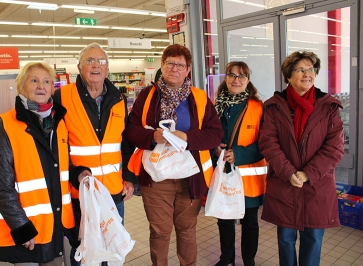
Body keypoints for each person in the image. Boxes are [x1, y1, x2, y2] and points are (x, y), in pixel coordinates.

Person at [125, 43, 223, 266]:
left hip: (191, 179)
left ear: (188, 70)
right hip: (157, 178)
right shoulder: (147, 96)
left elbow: (215, 134)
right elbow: (131, 130)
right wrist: (153, 138)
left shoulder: (199, 98)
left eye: (181, 65)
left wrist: (187, 138)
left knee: (187, 231)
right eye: (170, 63)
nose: (175, 69)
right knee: (160, 232)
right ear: (162, 65)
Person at [0, 62, 91, 265]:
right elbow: (1, 187)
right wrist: (22, 229)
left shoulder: (58, 123)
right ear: (21, 86)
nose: (41, 86)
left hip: (55, 226)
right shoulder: (4, 125)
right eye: (34, 80)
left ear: (53, 87)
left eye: (46, 81)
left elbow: (59, 168)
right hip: (27, 234)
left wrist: (78, 173)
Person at [53, 42, 136, 266]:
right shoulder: (61, 97)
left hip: (113, 191)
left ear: (107, 69)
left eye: (101, 61)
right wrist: (74, 174)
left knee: (113, 247)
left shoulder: (119, 98)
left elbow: (125, 142)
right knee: (84, 251)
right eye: (90, 60)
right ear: (79, 67)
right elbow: (55, 147)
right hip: (81, 193)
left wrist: (129, 177)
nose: (96, 65)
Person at [258, 50, 344, 266]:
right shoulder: (274, 106)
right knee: (285, 240)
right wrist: (288, 172)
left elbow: (335, 147)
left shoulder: (328, 107)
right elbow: (268, 143)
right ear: (288, 75)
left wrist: (308, 173)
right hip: (285, 184)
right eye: (301, 70)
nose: (308, 74)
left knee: (313, 240)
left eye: (311, 69)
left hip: (317, 185)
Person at [211, 61, 267, 266]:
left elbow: (267, 142)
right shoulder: (215, 106)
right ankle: (226, 258)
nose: (236, 80)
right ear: (226, 78)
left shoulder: (258, 107)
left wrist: (240, 154)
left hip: (248, 177)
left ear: (248, 81)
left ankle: (248, 260)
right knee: (224, 219)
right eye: (232, 75)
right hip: (223, 173)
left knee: (250, 222)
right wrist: (214, 148)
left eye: (241, 76)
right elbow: (208, 137)